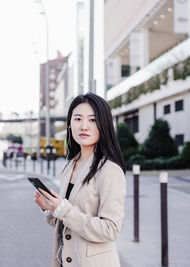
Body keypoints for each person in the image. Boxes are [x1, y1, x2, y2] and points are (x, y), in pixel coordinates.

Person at [34, 93, 126, 267]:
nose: (84, 126)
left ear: (103, 125)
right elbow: (67, 224)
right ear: (69, 125)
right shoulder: (71, 165)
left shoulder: (109, 170)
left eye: (92, 120)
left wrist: (64, 210)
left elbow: (111, 229)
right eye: (77, 119)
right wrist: (50, 209)